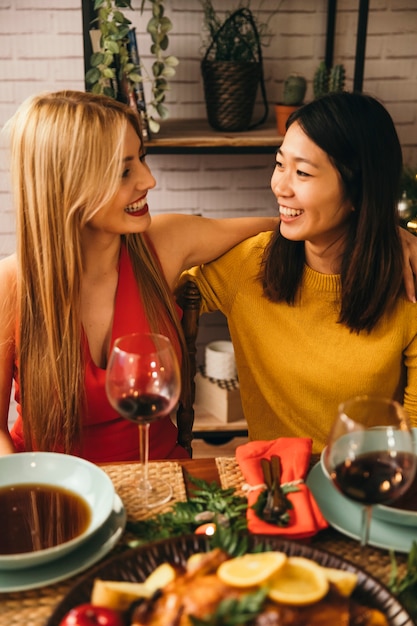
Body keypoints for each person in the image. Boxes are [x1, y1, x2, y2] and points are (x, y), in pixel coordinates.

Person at [0, 90, 278, 463]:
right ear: (66, 184)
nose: (149, 180)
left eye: (142, 158)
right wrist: (23, 488)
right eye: (124, 170)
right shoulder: (11, 284)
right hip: (54, 489)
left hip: (159, 478)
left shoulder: (164, 243)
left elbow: (279, 227)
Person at [185, 91, 417, 454]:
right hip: (276, 488)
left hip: (367, 484)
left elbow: (413, 434)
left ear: (359, 191)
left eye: (303, 172)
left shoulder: (407, 280)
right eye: (280, 164)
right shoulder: (249, 264)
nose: (280, 185)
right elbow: (152, 280)